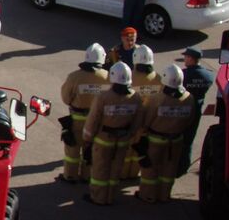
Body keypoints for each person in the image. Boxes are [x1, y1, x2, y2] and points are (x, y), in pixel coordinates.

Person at [132, 64, 198, 203]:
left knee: (150, 169)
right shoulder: (189, 98)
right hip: (176, 140)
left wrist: (141, 135)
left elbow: (147, 120)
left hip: (156, 139)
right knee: (169, 169)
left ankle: (148, 195)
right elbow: (190, 119)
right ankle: (164, 195)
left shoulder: (157, 99)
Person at [82, 62, 141, 205]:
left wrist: (87, 138)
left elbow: (93, 119)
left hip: (103, 140)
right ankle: (110, 196)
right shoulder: (135, 97)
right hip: (122, 140)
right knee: (116, 169)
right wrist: (130, 134)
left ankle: (98, 197)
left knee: (100, 170)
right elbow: (138, 120)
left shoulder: (103, 97)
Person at [58, 43, 109, 183]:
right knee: (91, 148)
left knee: (72, 150)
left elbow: (66, 98)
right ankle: (88, 176)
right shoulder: (108, 77)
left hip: (77, 119)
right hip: (98, 122)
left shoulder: (74, 77)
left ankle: (70, 175)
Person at [121, 45, 163, 180]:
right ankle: (134, 173)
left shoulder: (129, 77)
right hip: (150, 122)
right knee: (141, 149)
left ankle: (122, 174)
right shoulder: (159, 79)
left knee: (127, 150)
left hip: (130, 120)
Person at [178, 47, 214, 173]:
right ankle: (184, 166)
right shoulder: (209, 75)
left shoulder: (183, 75)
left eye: (186, 57)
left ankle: (177, 166)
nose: (184, 59)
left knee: (179, 138)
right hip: (197, 109)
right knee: (189, 139)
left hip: (182, 109)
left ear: (191, 59)